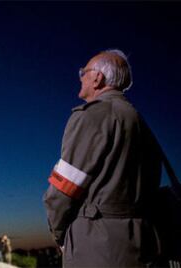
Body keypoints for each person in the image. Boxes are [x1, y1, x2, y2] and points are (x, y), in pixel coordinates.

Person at [43, 49, 163, 267]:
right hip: (142, 243)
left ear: (97, 77)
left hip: (96, 246)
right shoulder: (138, 120)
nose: (80, 77)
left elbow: (63, 189)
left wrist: (60, 234)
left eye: (84, 72)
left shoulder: (92, 115)